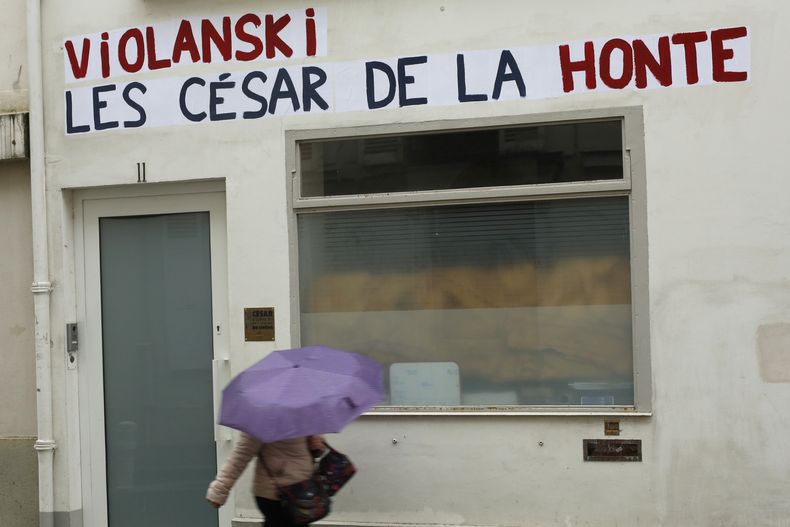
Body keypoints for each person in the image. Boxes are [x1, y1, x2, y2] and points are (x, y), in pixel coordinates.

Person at [206, 433, 325, 527]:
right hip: (301, 489)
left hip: (275, 491)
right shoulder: (303, 409)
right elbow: (318, 448)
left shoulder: (261, 414)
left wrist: (219, 490)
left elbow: (241, 455)